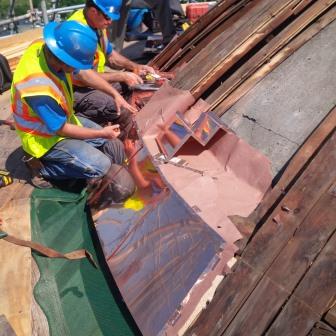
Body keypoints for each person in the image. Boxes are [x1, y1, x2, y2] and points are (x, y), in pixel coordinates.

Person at [11, 20, 135, 201]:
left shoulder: (49, 49)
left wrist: (114, 93)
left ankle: (96, 173)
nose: (80, 68)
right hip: (43, 137)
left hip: (63, 119)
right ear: (62, 60)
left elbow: (85, 74)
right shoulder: (38, 88)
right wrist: (100, 132)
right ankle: (39, 167)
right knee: (101, 164)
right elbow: (60, 129)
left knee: (113, 146)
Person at [68, 0, 155, 138]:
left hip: (93, 80)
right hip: (75, 89)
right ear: (93, 11)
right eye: (108, 17)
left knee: (130, 85)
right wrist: (121, 76)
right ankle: (81, 125)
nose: (110, 22)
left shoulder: (97, 23)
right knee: (110, 105)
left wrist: (135, 67)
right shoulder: (76, 33)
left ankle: (115, 124)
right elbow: (82, 77)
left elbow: (111, 55)